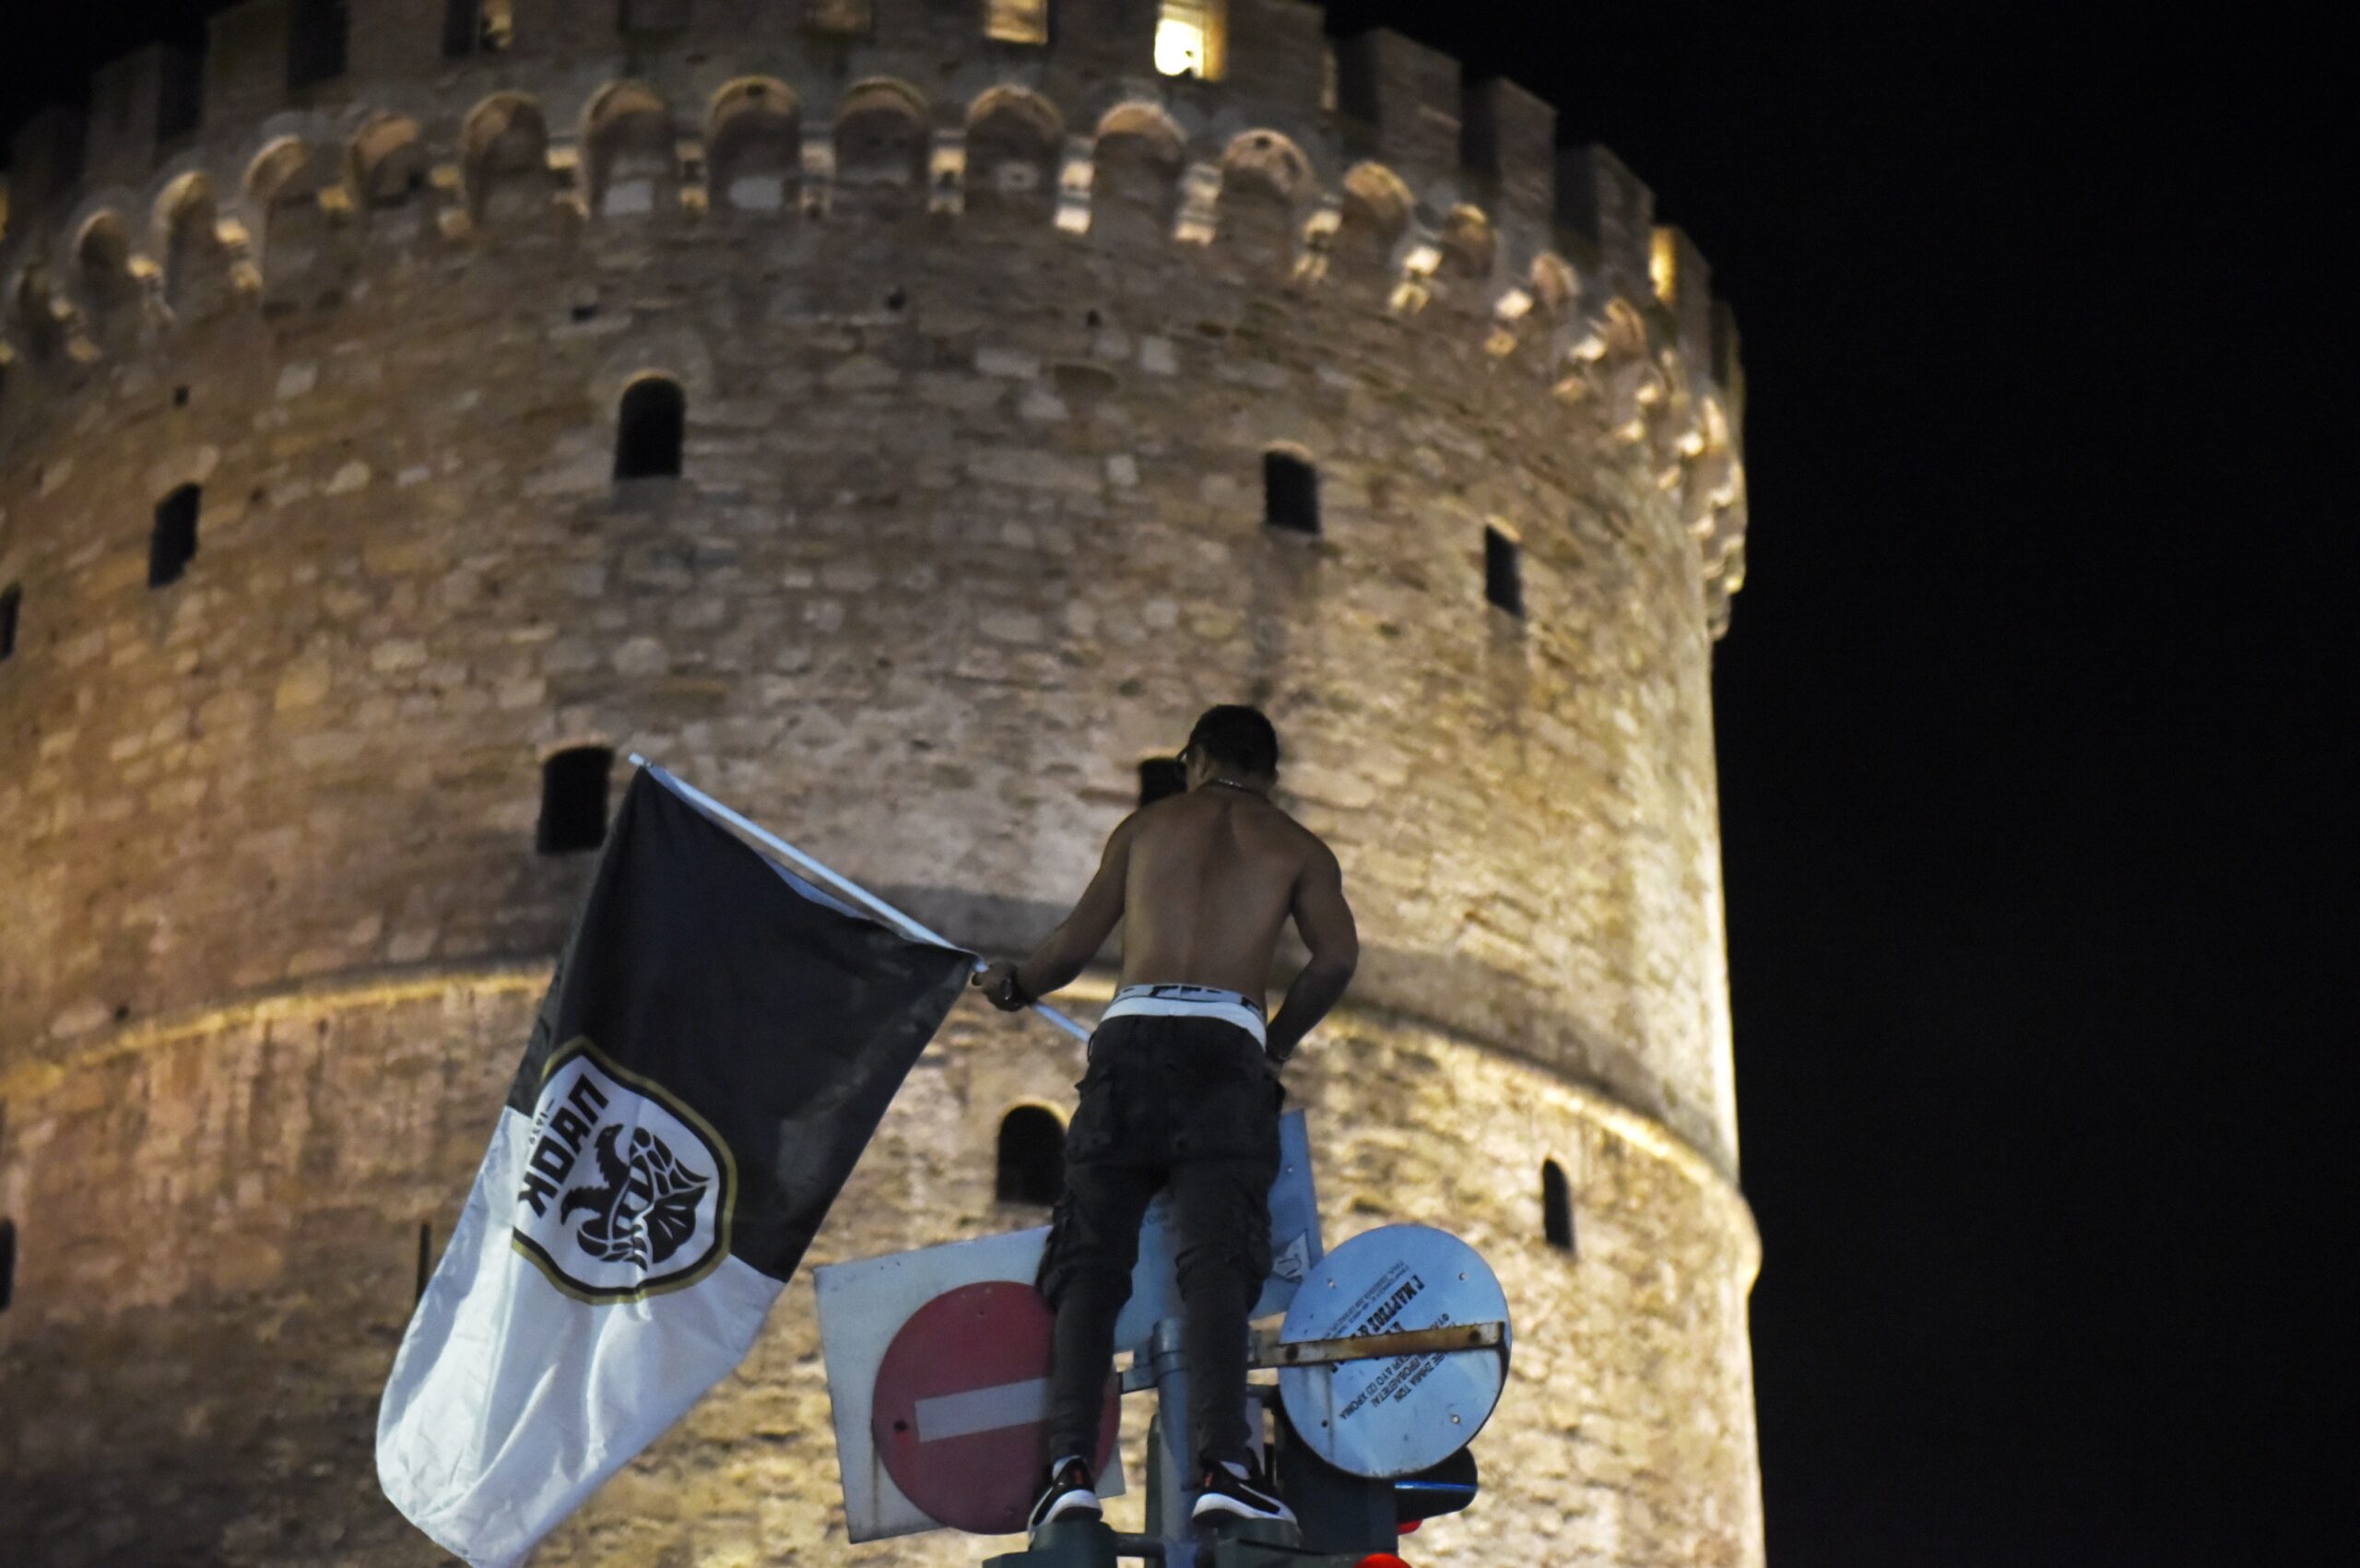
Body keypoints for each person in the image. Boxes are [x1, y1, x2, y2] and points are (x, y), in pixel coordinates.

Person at [973, 704, 1360, 1541]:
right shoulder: (1296, 847)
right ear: (1270, 774)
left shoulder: (1147, 828)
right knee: (1216, 1267)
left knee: (1089, 1264)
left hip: (1130, 1043)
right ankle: (1225, 1467)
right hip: (1226, 1048)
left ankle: (1068, 1471)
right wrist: (1277, 1044)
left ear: (1194, 758)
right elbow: (1335, 959)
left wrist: (1017, 983)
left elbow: (1072, 946)